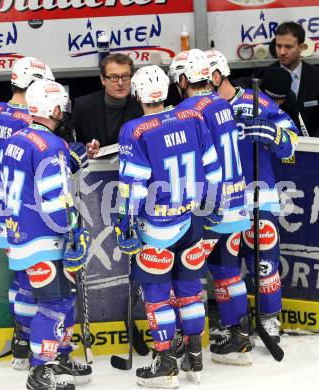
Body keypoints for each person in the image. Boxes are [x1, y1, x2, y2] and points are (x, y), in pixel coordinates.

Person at [114, 65, 223, 387]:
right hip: (191, 221)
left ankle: (165, 363)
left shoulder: (134, 130)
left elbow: (132, 185)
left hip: (157, 227)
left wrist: (126, 222)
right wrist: (214, 206)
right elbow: (213, 167)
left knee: (158, 296)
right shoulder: (192, 118)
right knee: (190, 291)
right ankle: (194, 357)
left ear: (137, 95)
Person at [205, 48, 299, 359]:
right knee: (224, 267)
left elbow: (293, 141)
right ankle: (235, 325)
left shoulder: (255, 101)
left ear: (217, 76)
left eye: (201, 81)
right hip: (221, 203)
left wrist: (274, 134)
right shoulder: (197, 110)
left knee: (264, 263)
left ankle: (270, 319)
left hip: (261, 195)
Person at [0, 79, 92, 390]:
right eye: (61, 106)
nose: (63, 111)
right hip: (44, 237)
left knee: (37, 295)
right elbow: (56, 200)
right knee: (57, 302)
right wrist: (73, 231)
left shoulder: (16, 138)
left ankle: (57, 357)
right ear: (53, 108)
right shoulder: (50, 145)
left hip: (20, 233)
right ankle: (40, 371)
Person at [0, 56, 56, 371]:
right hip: (29, 212)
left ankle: (21, 340)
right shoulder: (32, 121)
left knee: (20, 276)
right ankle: (32, 346)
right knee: (35, 278)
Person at [169, 49, 252, 365]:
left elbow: (196, 161)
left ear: (184, 79)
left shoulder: (187, 111)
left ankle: (184, 344)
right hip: (235, 201)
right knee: (228, 271)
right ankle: (239, 336)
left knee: (184, 275)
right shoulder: (222, 104)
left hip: (209, 206)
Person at [72, 53, 143, 158]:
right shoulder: (83, 106)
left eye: (125, 76)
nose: (120, 83)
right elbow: (72, 145)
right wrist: (85, 150)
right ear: (103, 80)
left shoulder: (142, 105)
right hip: (96, 170)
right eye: (114, 77)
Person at [268, 21, 319, 137]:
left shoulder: (316, 77)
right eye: (278, 46)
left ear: (302, 47)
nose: (282, 52)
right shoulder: (264, 77)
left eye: (288, 47)